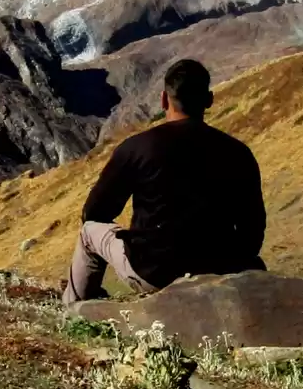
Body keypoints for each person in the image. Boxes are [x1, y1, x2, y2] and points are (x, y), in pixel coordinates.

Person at [62, 58, 265, 305]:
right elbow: (253, 231)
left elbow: (94, 212)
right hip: (221, 271)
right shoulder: (238, 152)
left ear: (163, 99)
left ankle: (75, 311)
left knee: (88, 232)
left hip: (153, 273)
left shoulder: (137, 147)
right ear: (209, 100)